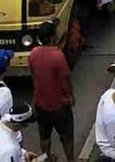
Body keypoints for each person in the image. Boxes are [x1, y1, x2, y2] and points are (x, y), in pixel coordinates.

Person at [28, 21, 74, 162]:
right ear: (52, 37)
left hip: (40, 103)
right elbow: (65, 79)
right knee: (66, 136)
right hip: (59, 104)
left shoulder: (33, 54)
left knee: (45, 136)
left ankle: (47, 158)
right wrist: (70, 96)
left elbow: (33, 74)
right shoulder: (58, 56)